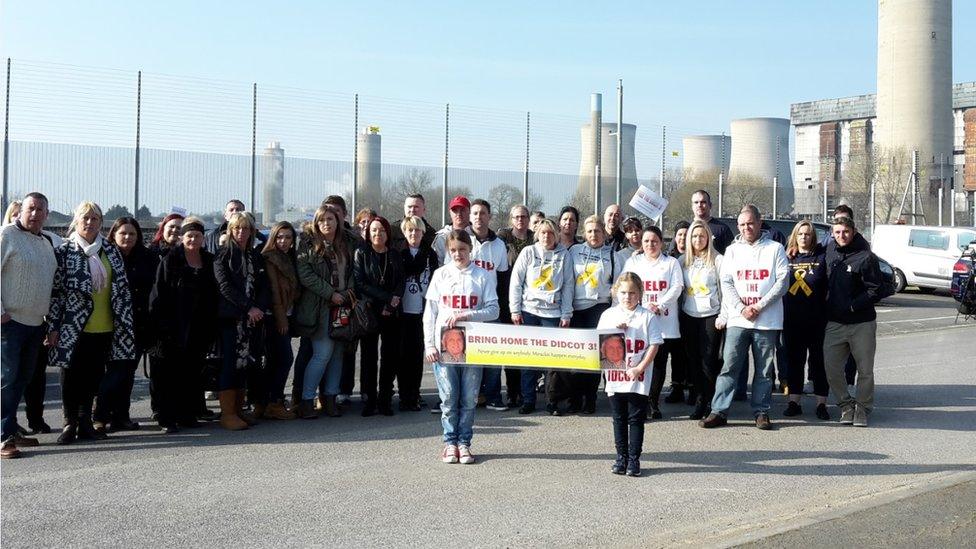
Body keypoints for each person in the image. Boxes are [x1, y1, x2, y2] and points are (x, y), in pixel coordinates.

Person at [47, 201, 136, 444]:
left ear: (101, 222)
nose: (89, 222)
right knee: (70, 377)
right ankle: (69, 423)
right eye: (85, 218)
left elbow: (121, 288)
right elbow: (56, 293)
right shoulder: (64, 251)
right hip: (72, 327)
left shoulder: (110, 250)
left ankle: (86, 422)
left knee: (93, 377)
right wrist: (53, 326)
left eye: (94, 218)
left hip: (104, 325)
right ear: (76, 221)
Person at [700, 205, 789, 431]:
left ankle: (761, 411)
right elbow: (726, 282)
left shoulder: (775, 248)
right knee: (729, 366)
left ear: (760, 222)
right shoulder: (732, 251)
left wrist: (758, 306)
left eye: (750, 223)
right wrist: (741, 308)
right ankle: (719, 411)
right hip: (738, 320)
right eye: (742, 224)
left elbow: (782, 282)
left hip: (766, 320)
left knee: (764, 370)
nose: (746, 228)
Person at [424, 229, 499, 464]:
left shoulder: (482, 276)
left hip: (473, 348)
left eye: (463, 249)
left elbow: (494, 310)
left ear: (470, 250)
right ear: (448, 251)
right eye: (454, 250)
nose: (458, 254)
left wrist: (468, 314)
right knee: (448, 398)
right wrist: (429, 345)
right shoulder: (440, 275)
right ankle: (449, 443)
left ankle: (464, 443)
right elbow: (430, 314)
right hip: (444, 347)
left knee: (468, 398)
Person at [148, 217, 219, 432]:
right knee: (168, 376)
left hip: (198, 328)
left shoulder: (209, 261)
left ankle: (187, 414)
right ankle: (167, 418)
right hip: (172, 328)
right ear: (182, 237)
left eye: (197, 236)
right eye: (189, 235)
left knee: (191, 373)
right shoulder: (171, 260)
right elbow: (158, 295)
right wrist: (160, 327)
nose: (193, 239)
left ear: (203, 238)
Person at [1, 193, 58, 458]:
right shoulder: (6, 235)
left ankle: (10, 428)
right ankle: (3, 437)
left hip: (35, 324)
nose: (35, 214)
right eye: (30, 209)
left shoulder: (46, 242)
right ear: (20, 211)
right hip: (9, 323)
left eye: (40, 210)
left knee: (22, 380)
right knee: (7, 379)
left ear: (47, 214)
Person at [93, 217, 158, 432]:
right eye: (123, 233)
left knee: (128, 373)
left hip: (138, 325)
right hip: (110, 323)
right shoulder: (106, 256)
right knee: (112, 373)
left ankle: (122, 416)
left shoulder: (148, 258)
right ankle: (100, 416)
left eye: (132, 234)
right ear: (113, 235)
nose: (127, 238)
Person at [598, 272, 663, 477]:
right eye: (624, 293)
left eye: (632, 293)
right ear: (616, 292)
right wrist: (613, 330)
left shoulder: (647, 316)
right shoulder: (609, 315)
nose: (628, 297)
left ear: (640, 294)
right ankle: (621, 457)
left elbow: (654, 345)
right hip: (616, 375)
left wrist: (641, 367)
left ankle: (634, 460)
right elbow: (599, 343)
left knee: (636, 418)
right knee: (618, 418)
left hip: (638, 375)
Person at [823, 217, 885, 427]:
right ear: (832, 233)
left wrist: (853, 305)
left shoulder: (866, 257)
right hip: (835, 323)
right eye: (838, 232)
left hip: (862, 323)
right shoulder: (830, 251)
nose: (842, 236)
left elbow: (876, 289)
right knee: (831, 368)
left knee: (864, 370)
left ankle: (863, 408)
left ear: (854, 231)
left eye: (846, 231)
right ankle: (845, 405)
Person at [509, 218, 574, 415]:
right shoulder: (528, 252)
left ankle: (552, 400)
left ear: (556, 234)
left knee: (552, 361)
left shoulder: (564, 255)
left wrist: (566, 313)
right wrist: (515, 309)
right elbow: (516, 281)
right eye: (543, 233)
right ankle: (528, 400)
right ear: (538, 234)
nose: (546, 236)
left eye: (551, 233)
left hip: (552, 313)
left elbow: (569, 285)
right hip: (529, 311)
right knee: (529, 360)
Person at [213, 211, 270, 430]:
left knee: (245, 364)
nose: (241, 232)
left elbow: (264, 286)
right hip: (231, 318)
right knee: (230, 364)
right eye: (236, 228)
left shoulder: (255, 256)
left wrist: (259, 309)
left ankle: (239, 410)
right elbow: (224, 286)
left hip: (252, 320)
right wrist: (249, 308)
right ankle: (227, 414)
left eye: (245, 228)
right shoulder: (223, 254)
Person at [294, 205, 352, 419]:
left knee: (337, 355)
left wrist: (347, 292)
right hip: (320, 308)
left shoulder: (344, 244)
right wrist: (330, 293)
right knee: (322, 354)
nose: (326, 223)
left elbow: (351, 271)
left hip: (342, 307)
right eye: (322, 220)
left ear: (338, 221)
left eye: (330, 219)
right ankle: (306, 400)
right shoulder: (308, 244)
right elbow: (305, 274)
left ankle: (330, 398)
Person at [621, 226, 685, 419]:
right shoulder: (634, 262)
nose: (650, 244)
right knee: (638, 361)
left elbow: (677, 287)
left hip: (663, 322)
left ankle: (652, 402)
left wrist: (661, 304)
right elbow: (623, 286)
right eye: (647, 241)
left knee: (658, 364)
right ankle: (636, 400)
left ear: (662, 243)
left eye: (654, 241)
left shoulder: (671, 263)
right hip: (638, 322)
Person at [354, 215, 405, 416]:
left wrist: (392, 302)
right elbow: (360, 283)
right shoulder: (362, 253)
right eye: (374, 230)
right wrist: (386, 298)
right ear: (368, 233)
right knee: (368, 357)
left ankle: (385, 399)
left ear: (387, 233)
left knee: (389, 357)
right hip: (370, 312)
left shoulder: (394, 254)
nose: (377, 234)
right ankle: (369, 399)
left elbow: (401, 281)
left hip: (391, 312)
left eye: (381, 230)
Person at [782, 221, 830, 420]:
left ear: (813, 237)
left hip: (817, 319)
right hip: (792, 319)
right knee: (795, 361)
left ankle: (821, 404)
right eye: (800, 234)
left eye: (808, 234)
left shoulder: (821, 257)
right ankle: (794, 401)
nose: (804, 237)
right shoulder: (786, 258)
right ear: (795, 236)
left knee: (818, 362)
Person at [569, 215, 615, 414]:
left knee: (595, 357)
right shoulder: (574, 251)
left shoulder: (613, 254)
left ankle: (590, 397)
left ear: (604, 233)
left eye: (597, 231)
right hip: (577, 309)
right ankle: (575, 397)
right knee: (578, 356)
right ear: (584, 234)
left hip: (600, 308)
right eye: (589, 231)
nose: (593, 235)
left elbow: (617, 284)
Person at [467, 199, 510, 411]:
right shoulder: (461, 239)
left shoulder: (500, 245)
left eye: (483, 213)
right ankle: (468, 396)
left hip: (491, 307)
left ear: (489, 216)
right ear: (469, 216)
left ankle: (493, 396)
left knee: (493, 355)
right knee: (466, 355)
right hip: (466, 307)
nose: (478, 217)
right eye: (474, 213)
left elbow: (503, 280)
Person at [678, 220, 724, 420]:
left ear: (708, 238)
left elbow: (725, 289)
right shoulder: (682, 261)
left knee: (709, 361)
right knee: (694, 361)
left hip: (711, 316)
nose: (698, 239)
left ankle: (709, 402)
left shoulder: (718, 260)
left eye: (702, 236)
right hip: (689, 316)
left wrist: (723, 314)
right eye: (694, 236)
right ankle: (699, 398)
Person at [398, 215, 439, 411]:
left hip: (421, 311)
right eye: (410, 230)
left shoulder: (430, 255)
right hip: (402, 311)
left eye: (417, 230)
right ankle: (403, 396)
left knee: (416, 357)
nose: (414, 234)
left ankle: (414, 395)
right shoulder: (398, 253)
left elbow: (435, 280)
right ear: (404, 232)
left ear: (423, 233)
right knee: (402, 356)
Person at [259, 221, 300, 420]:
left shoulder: (289, 258)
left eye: (288, 237)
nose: (284, 241)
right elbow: (275, 292)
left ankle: (265, 402)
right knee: (284, 359)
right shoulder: (270, 259)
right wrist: (281, 319)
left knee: (275, 360)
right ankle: (273, 401)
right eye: (280, 237)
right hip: (275, 317)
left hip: (288, 314)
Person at [496, 205, 534, 408]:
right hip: (506, 298)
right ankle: (512, 391)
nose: (520, 220)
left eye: (524, 216)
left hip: (529, 299)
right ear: (511, 219)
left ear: (529, 219)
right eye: (516, 217)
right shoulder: (502, 239)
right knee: (511, 348)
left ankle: (528, 390)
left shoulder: (535, 239)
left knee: (527, 348)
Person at [691, 189, 733, 254]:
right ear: (692, 206)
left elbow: (731, 255)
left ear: (710, 205)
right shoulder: (686, 228)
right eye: (696, 202)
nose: (699, 205)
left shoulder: (722, 229)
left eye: (703, 202)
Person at [432, 195, 471, 264]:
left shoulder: (476, 234)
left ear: (469, 211)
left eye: (462, 210)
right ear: (450, 213)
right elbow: (438, 264)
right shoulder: (442, 236)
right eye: (455, 210)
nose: (459, 214)